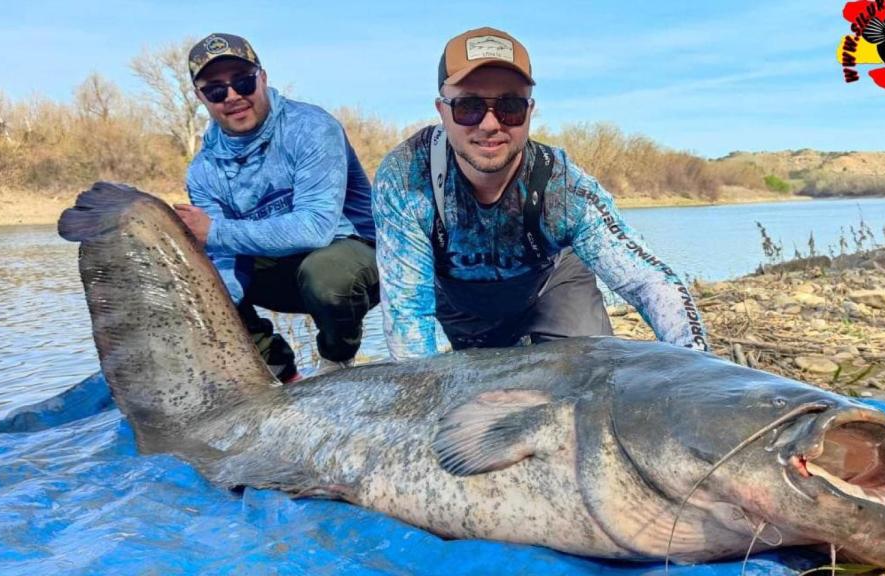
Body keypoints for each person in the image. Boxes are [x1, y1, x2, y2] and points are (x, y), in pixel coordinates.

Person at [372, 27, 709, 360]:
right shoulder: (405, 178)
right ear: (442, 110)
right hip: (464, 306)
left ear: (530, 111)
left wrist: (701, 368)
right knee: (481, 402)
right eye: (469, 106)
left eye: (510, 106)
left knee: (590, 376)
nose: (490, 124)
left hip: (554, 286)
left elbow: (648, 282)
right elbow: (408, 315)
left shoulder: (563, 187)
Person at [176, 33, 379, 381]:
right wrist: (218, 304)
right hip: (281, 273)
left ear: (263, 78)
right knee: (201, 288)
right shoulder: (203, 171)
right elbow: (224, 259)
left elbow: (316, 228)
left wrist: (215, 231)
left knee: (324, 273)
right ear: (201, 97)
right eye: (216, 90)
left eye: (243, 82)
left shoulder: (312, 128)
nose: (234, 96)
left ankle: (337, 361)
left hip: (353, 260)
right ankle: (282, 374)